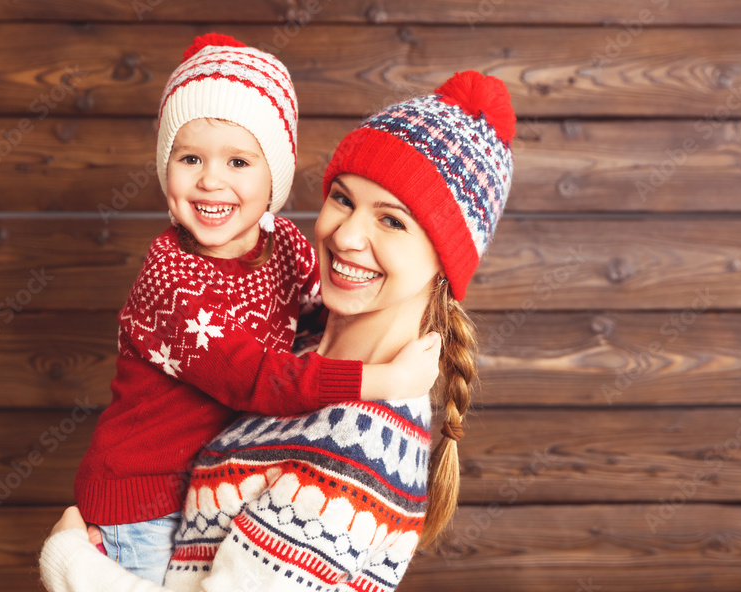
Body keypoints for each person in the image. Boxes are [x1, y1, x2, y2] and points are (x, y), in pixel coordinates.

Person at [41, 68, 516, 591]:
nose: (348, 235)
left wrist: (70, 564)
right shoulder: (301, 342)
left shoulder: (355, 446)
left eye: (392, 221)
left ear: (446, 261)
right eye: (342, 198)